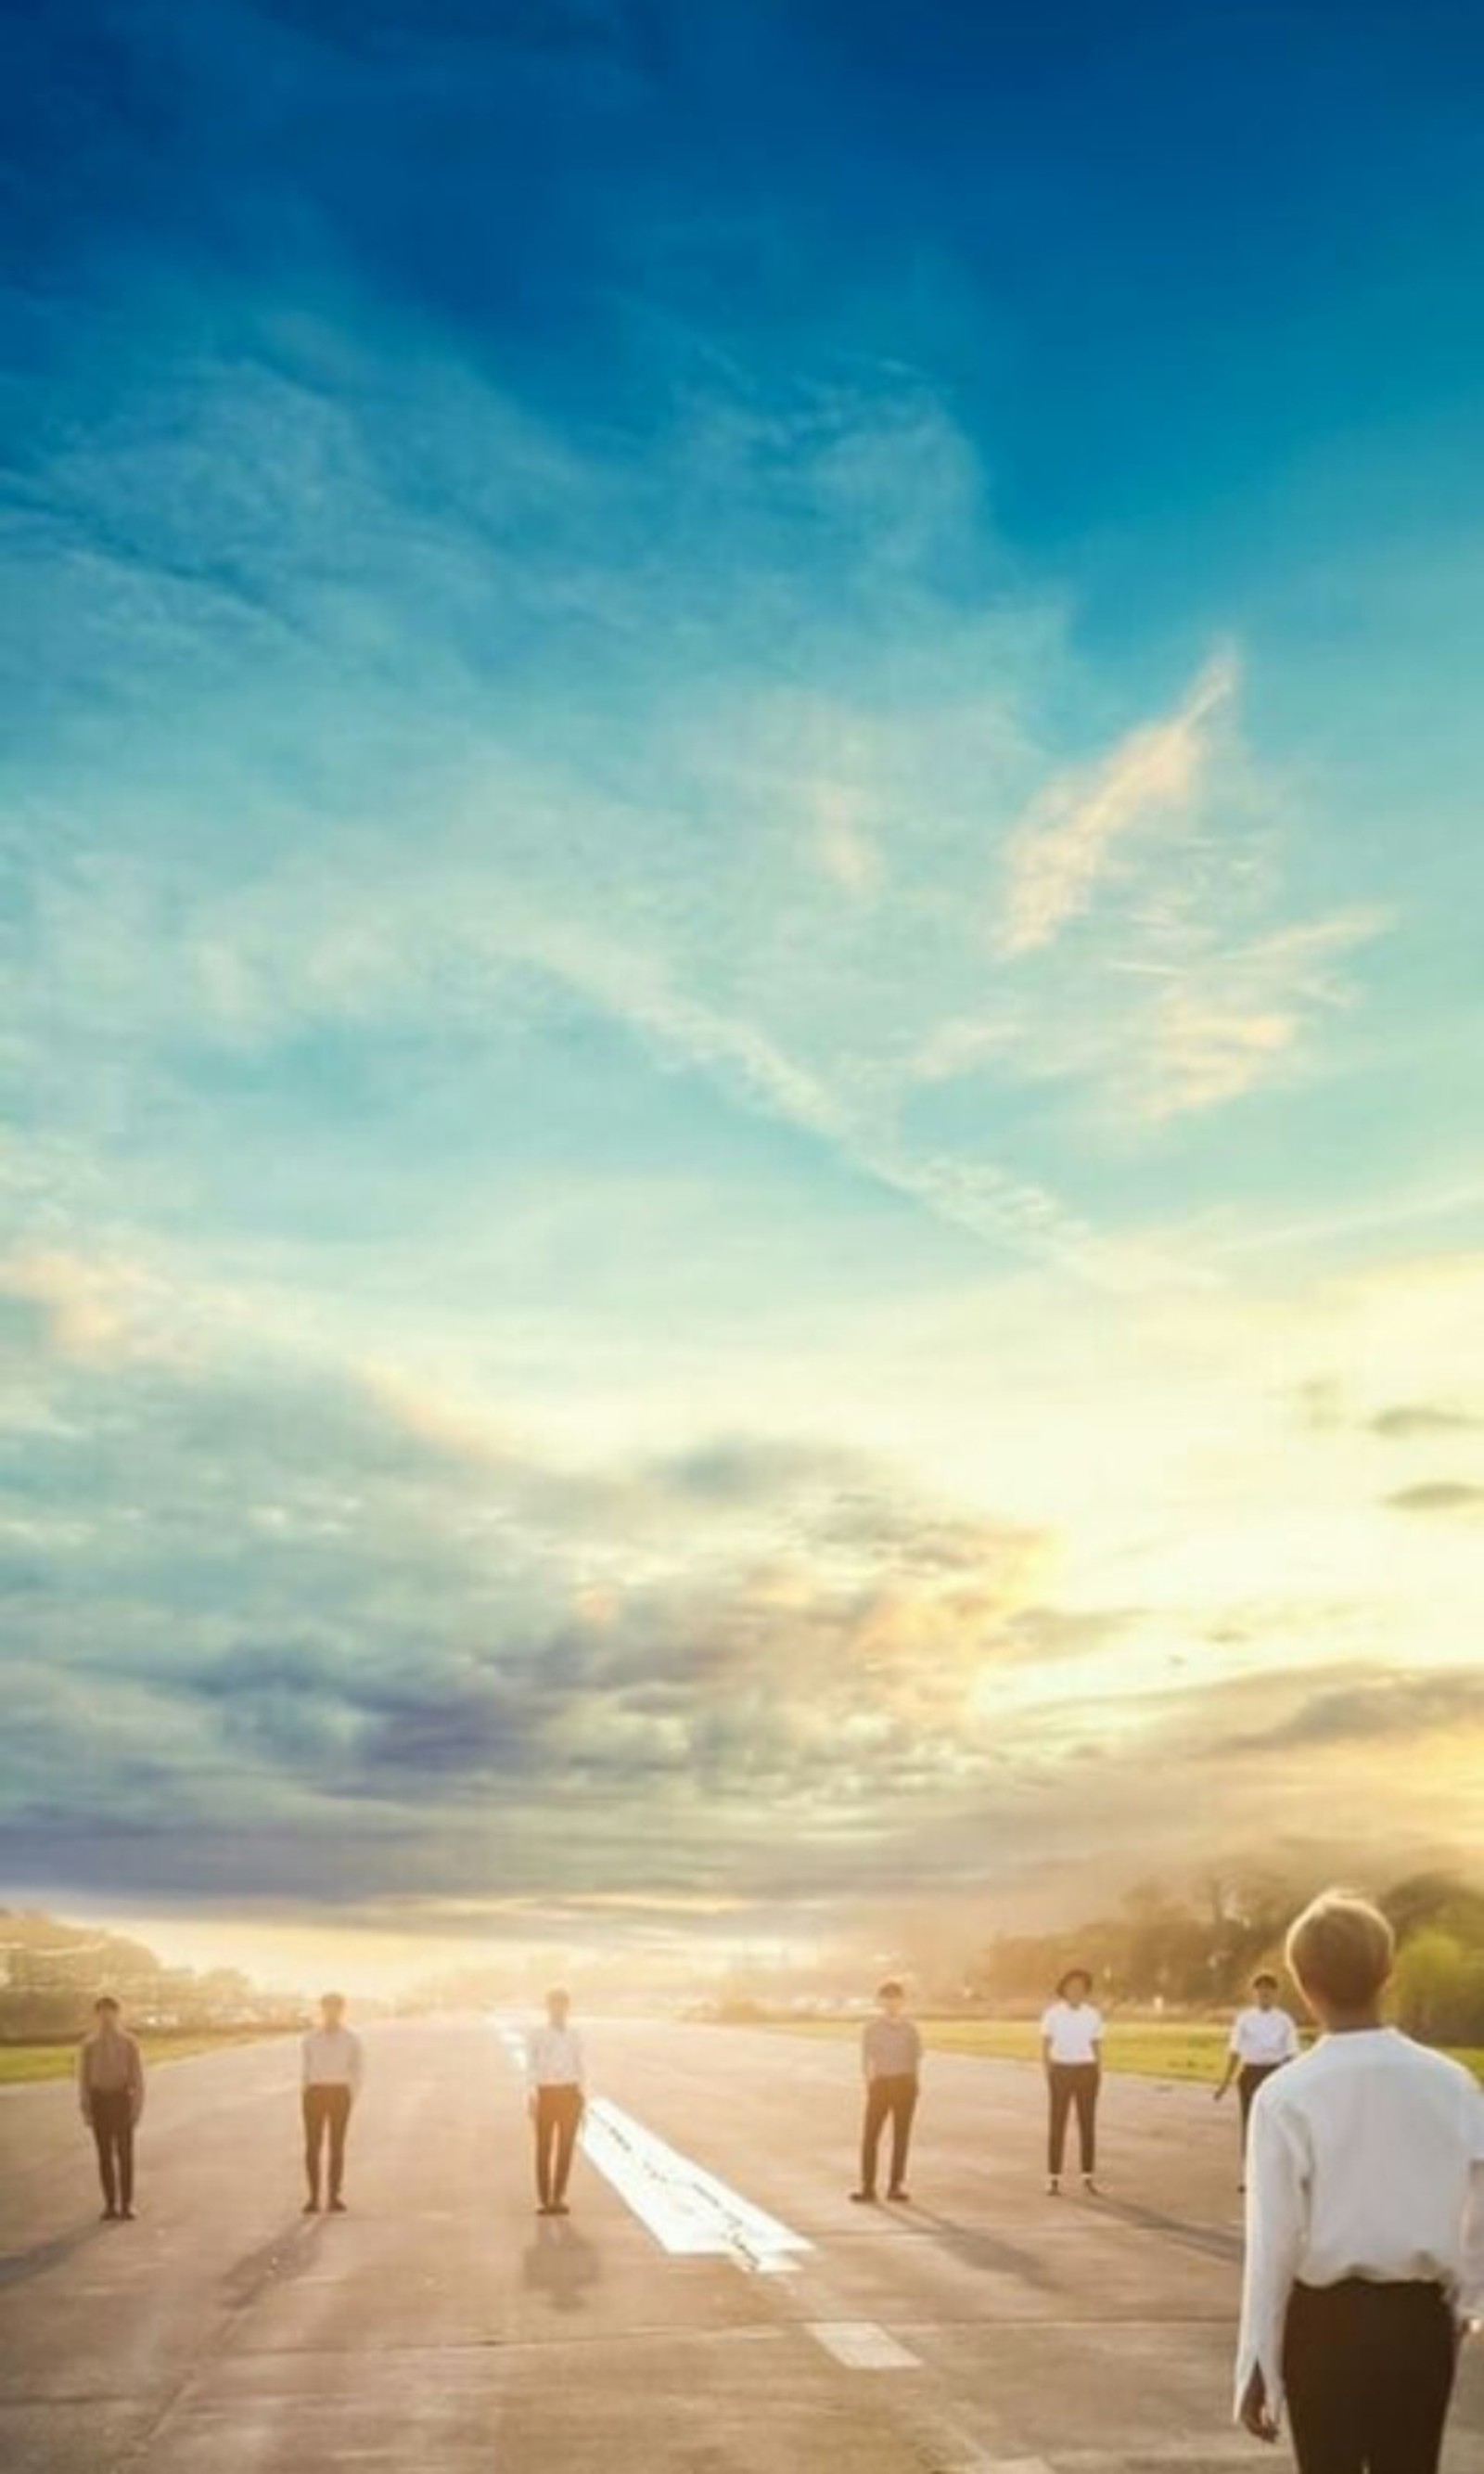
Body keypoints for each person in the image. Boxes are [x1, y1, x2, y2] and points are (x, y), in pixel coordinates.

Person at [1235, 1887, 1484, 2472]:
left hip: (1325, 2322)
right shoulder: (1451, 2084)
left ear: (1302, 1982)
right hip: (1420, 2319)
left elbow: (1273, 2242)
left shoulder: (1286, 2093)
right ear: (1388, 1971)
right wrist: (1465, 2305)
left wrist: (1258, 2363)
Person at [1215, 1971, 1301, 2187]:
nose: (1264, 1994)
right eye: (1260, 1990)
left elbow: (1291, 2054)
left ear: (1275, 1994)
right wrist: (1225, 2082)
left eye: (1268, 1991)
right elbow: (1234, 2051)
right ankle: (1250, 2176)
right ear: (1255, 1993)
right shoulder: (1245, 2019)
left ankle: (1278, 2175)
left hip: (1274, 2072)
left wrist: (1293, 2084)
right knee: (1251, 2124)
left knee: (1277, 2125)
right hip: (1251, 2072)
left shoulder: (1284, 2021)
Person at [851, 1980, 923, 2204]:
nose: (891, 2003)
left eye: (896, 1998)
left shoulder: (910, 2029)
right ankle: (867, 2186)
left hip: (904, 2083)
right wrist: (870, 2083)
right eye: (887, 1998)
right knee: (871, 2136)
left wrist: (914, 2084)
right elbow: (866, 2058)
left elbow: (915, 2058)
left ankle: (895, 2186)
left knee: (901, 2136)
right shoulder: (872, 2028)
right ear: (880, 2001)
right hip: (881, 2084)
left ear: (902, 2001)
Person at [77, 1995, 146, 2222]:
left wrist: (136, 2108)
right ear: (97, 2015)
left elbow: (137, 2077)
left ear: (118, 2014)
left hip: (120, 2099)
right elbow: (84, 2079)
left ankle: (127, 2204)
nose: (106, 2017)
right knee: (104, 2155)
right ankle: (110, 2204)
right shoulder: (89, 2045)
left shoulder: (129, 2043)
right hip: (100, 2101)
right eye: (102, 2012)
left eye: (110, 2012)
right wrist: (86, 2108)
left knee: (125, 2155)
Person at [1041, 1967, 1103, 2195]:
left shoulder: (1092, 2014)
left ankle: (1088, 2176)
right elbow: (1046, 2045)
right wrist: (1049, 2070)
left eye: (1081, 1987)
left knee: (1087, 2124)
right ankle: (1053, 2177)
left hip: (1086, 2070)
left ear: (1086, 1991)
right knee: (1057, 2123)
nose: (1076, 1990)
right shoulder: (1053, 2014)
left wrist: (1098, 2070)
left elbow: (1096, 2045)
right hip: (1061, 2070)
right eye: (1072, 1986)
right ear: (1064, 1989)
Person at [301, 1991, 364, 2214]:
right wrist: (306, 2092)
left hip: (339, 2093)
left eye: (335, 2008)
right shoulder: (310, 2038)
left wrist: (350, 2095)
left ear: (342, 2010)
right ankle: (313, 2198)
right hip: (315, 2093)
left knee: (336, 2146)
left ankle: (334, 2196)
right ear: (322, 2009)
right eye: (327, 2007)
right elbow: (306, 2069)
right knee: (312, 2147)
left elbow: (357, 2070)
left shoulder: (351, 2039)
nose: (331, 2012)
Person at [527, 1987, 585, 2216]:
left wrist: (582, 2096)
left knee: (566, 2149)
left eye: (562, 2005)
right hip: (546, 2094)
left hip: (570, 2094)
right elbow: (530, 2066)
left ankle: (558, 2197)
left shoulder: (575, 2034)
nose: (558, 2009)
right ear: (548, 2007)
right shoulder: (538, 2034)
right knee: (544, 2148)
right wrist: (531, 2095)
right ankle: (544, 2200)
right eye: (554, 2004)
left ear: (567, 2007)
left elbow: (579, 2065)